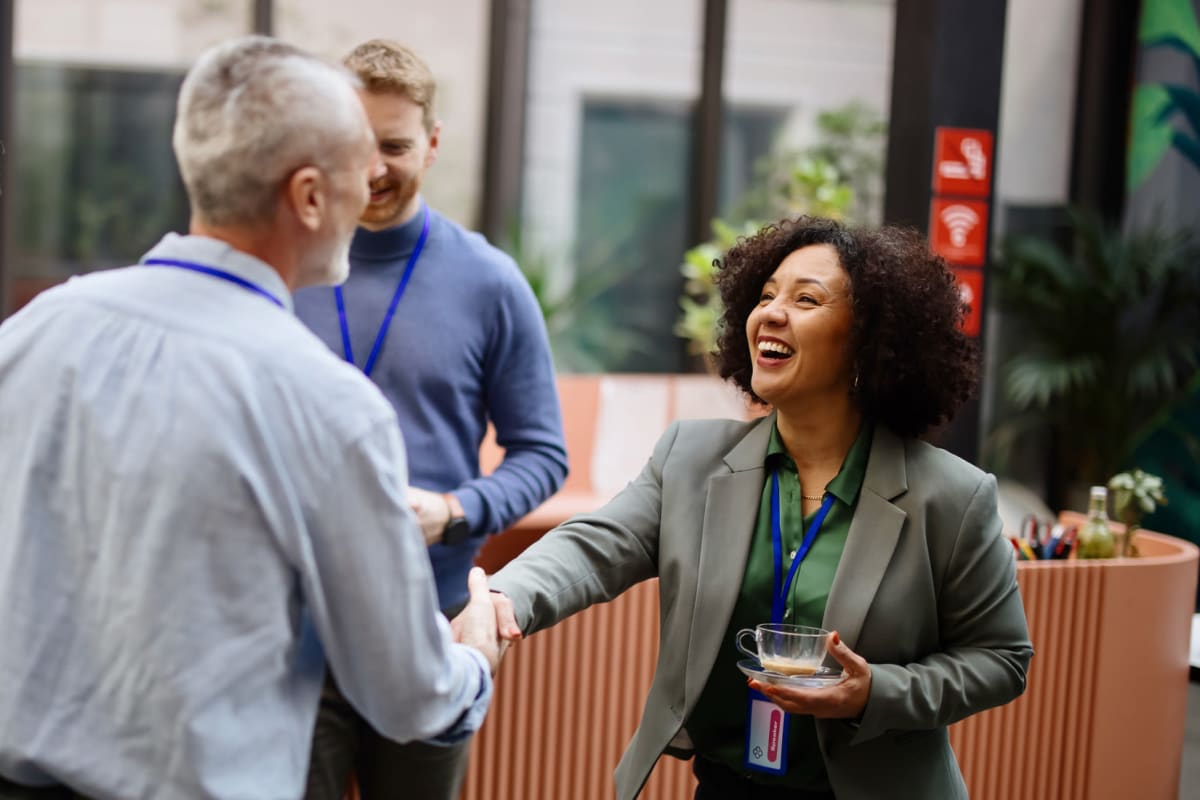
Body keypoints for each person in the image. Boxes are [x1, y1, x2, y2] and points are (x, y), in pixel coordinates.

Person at [0, 36, 503, 800]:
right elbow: (409, 697)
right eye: (354, 169)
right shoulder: (329, 408)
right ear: (308, 196)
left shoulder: (33, 331)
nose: (372, 184)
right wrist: (471, 658)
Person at [484, 216, 1034, 799]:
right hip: (727, 787)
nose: (772, 312)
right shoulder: (689, 457)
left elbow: (1001, 659)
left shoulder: (952, 495)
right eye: (766, 295)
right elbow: (591, 549)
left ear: (868, 339)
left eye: (805, 299)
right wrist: (502, 598)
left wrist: (877, 692)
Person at [292, 40, 567, 800]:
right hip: (294, 629)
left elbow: (543, 454)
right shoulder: (284, 263)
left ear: (434, 144)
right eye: (356, 142)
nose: (375, 167)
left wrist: (454, 511)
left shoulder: (490, 281)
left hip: (431, 627)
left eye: (397, 145)